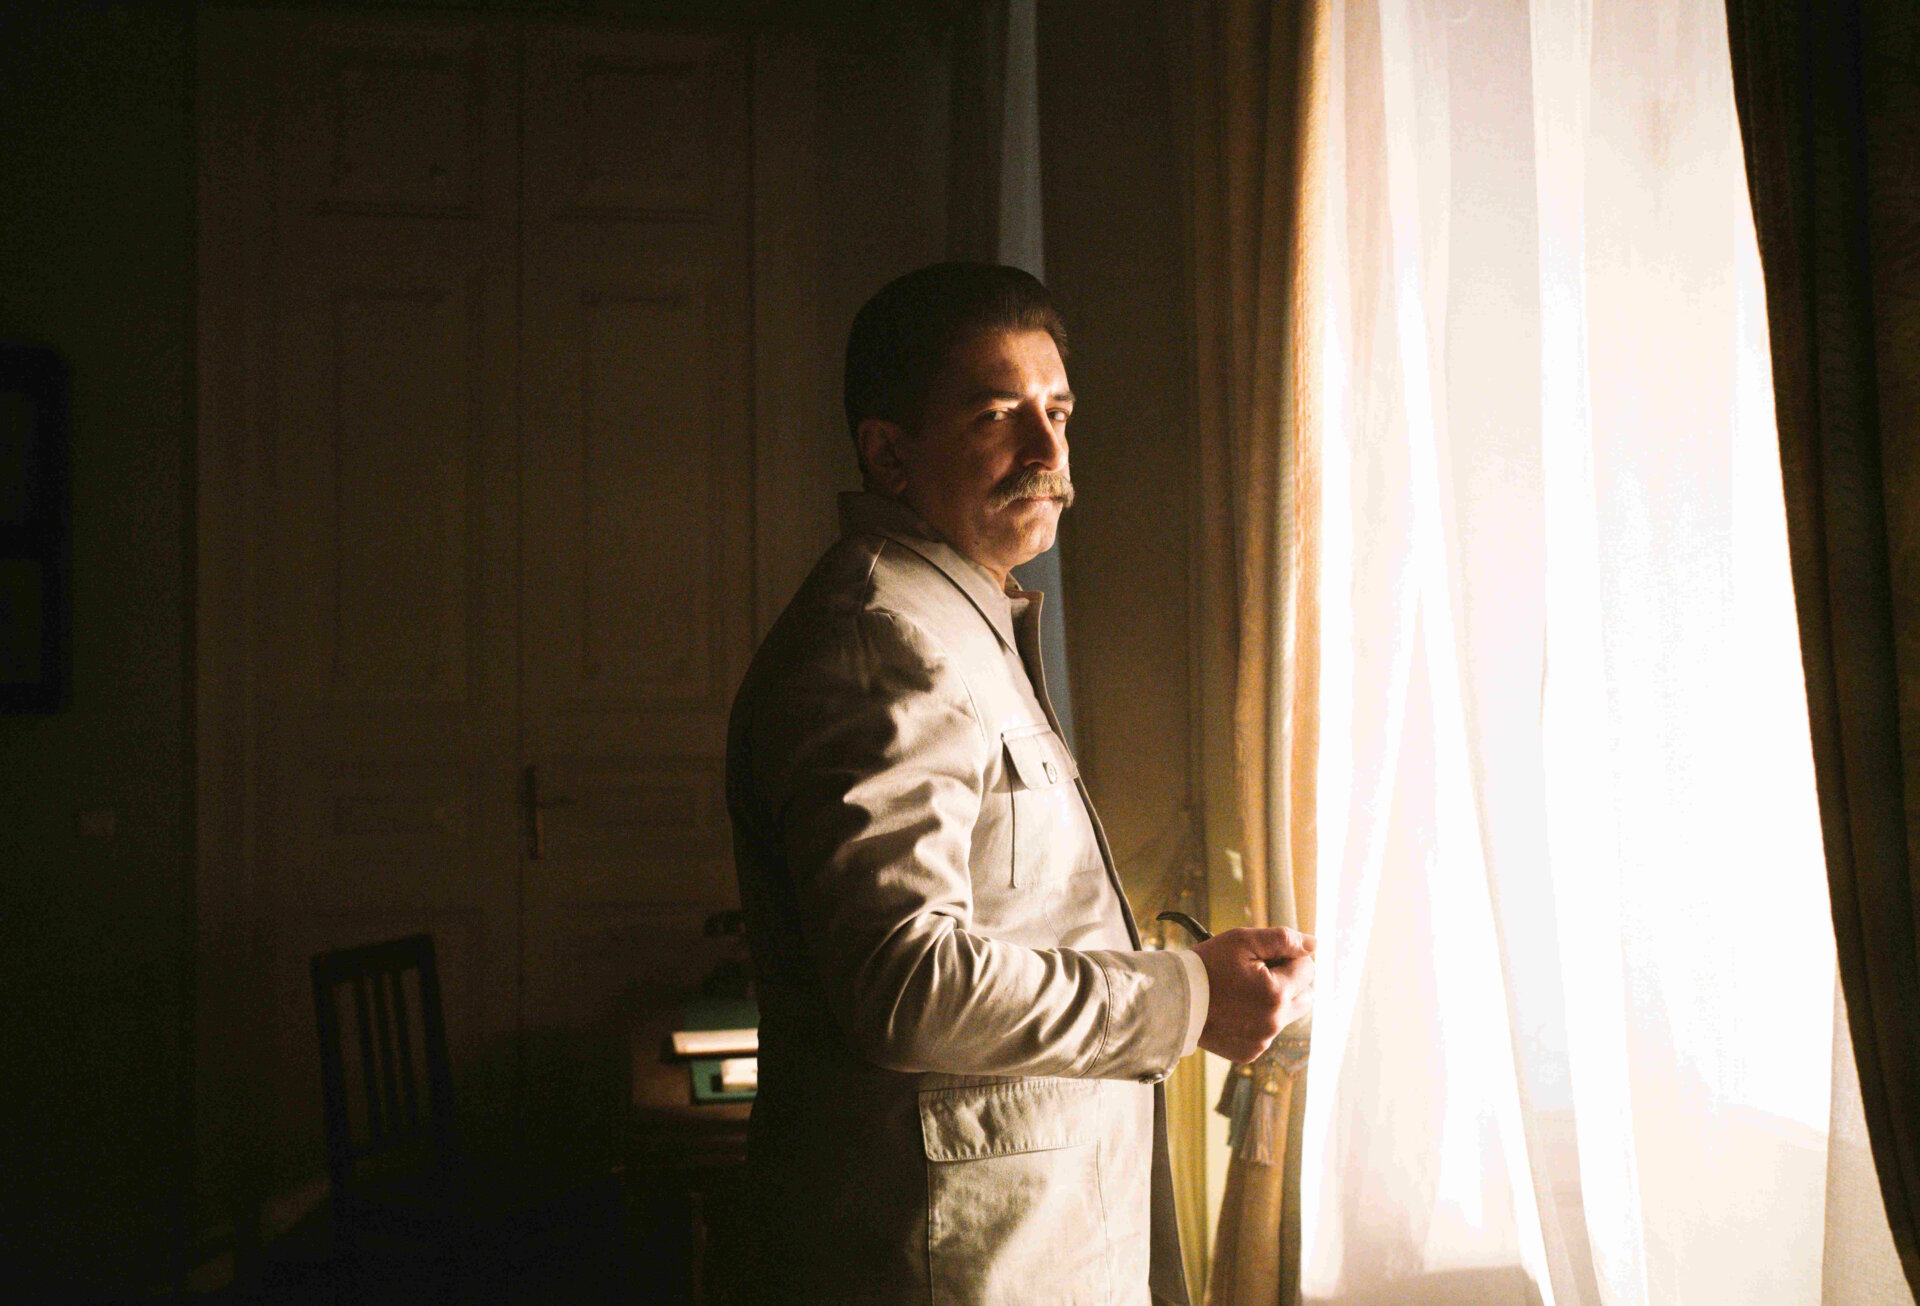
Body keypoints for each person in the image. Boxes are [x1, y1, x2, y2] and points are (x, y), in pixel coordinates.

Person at [726, 262, 1315, 1304]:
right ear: (889, 453)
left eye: (1059, 411)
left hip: (1013, 1251)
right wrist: (1185, 997)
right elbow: (906, 984)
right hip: (951, 1269)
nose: (1049, 452)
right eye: (999, 415)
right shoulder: (884, 639)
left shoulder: (958, 619)